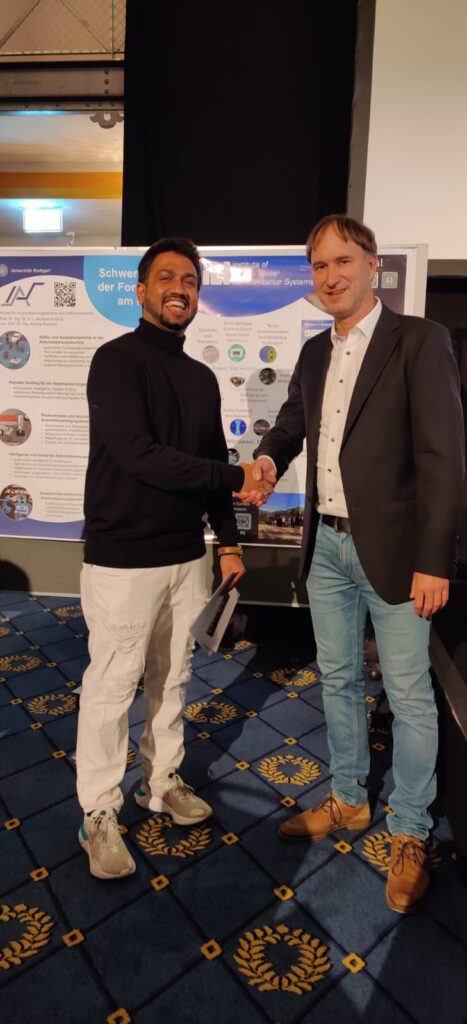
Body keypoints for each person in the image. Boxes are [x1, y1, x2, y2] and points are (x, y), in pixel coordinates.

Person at [252, 214, 464, 913]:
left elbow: (442, 458)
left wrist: (434, 560)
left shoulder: (419, 340)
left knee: (407, 696)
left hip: (399, 554)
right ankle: (348, 798)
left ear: (373, 265)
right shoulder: (315, 352)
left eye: (343, 261)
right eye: (319, 266)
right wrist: (267, 458)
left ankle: (410, 831)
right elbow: (292, 424)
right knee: (338, 678)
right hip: (326, 549)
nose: (331, 276)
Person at [76, 236, 270, 880]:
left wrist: (229, 542)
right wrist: (236, 476)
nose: (178, 288)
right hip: (123, 559)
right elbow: (138, 454)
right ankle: (98, 811)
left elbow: (211, 462)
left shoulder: (200, 377)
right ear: (141, 291)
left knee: (172, 678)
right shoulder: (115, 361)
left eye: (188, 280)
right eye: (165, 278)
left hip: (187, 557)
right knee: (112, 687)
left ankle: (159, 782)